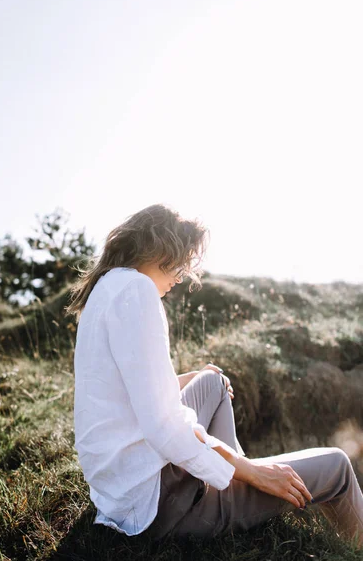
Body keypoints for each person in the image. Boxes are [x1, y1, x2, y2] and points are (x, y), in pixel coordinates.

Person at [65, 203, 363, 549]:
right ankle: (255, 491)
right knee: (339, 466)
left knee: (212, 383)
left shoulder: (105, 290)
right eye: (180, 262)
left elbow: (120, 393)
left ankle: (241, 489)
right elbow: (164, 427)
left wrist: (186, 377)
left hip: (120, 489)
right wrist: (252, 472)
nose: (180, 276)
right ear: (161, 248)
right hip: (159, 505)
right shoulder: (137, 290)